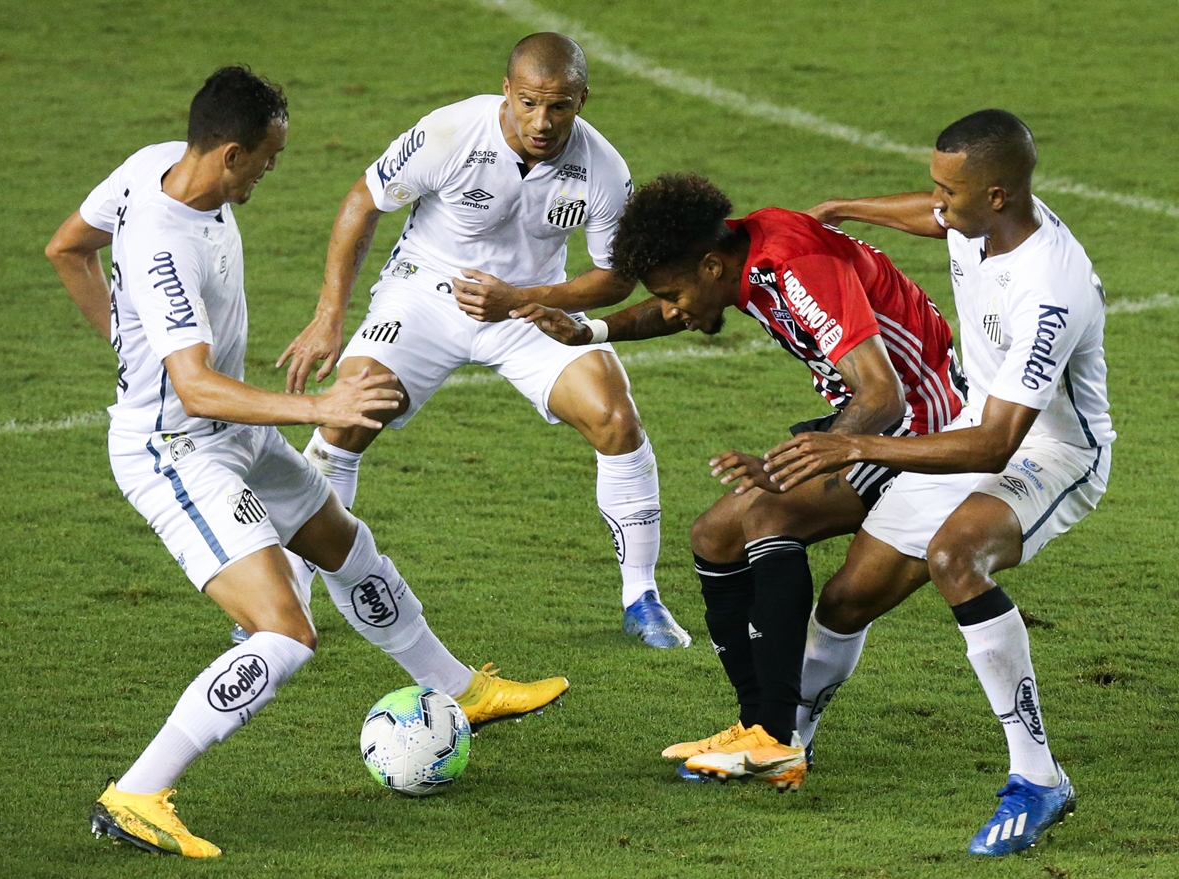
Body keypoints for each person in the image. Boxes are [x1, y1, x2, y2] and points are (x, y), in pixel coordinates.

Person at [46, 67, 569, 858]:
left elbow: (67, 246)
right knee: (284, 634)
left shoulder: (156, 164)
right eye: (266, 159)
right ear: (228, 153)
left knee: (342, 543)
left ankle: (461, 688)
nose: (270, 171)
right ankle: (138, 791)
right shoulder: (163, 245)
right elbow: (192, 385)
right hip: (178, 453)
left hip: (231, 432)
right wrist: (319, 409)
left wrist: (130, 342)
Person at [517, 172, 967, 791]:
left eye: (675, 291)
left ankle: (777, 740)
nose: (673, 308)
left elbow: (883, 395)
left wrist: (795, 461)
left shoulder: (794, 267)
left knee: (768, 516)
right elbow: (681, 309)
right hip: (865, 415)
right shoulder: (745, 251)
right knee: (715, 536)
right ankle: (755, 726)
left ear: (709, 266)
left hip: (913, 422)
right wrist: (591, 330)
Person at [763, 109, 1112, 854]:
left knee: (958, 555)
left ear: (996, 196)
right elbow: (934, 218)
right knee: (848, 597)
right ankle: (787, 738)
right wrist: (843, 210)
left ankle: (1039, 776)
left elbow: (997, 443)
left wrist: (857, 445)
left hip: (1050, 452)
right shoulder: (982, 217)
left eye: (947, 191)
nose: (935, 203)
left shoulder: (1049, 287)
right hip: (968, 422)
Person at [271, 33, 690, 649]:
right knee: (347, 417)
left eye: (560, 107)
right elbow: (363, 201)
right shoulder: (451, 132)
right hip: (425, 293)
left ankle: (642, 597)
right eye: (528, 103)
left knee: (614, 416)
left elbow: (614, 278)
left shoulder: (603, 169)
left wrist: (525, 300)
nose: (542, 122)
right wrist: (329, 313)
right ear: (507, 92)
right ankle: (288, 596)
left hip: (528, 306)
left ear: (582, 100)